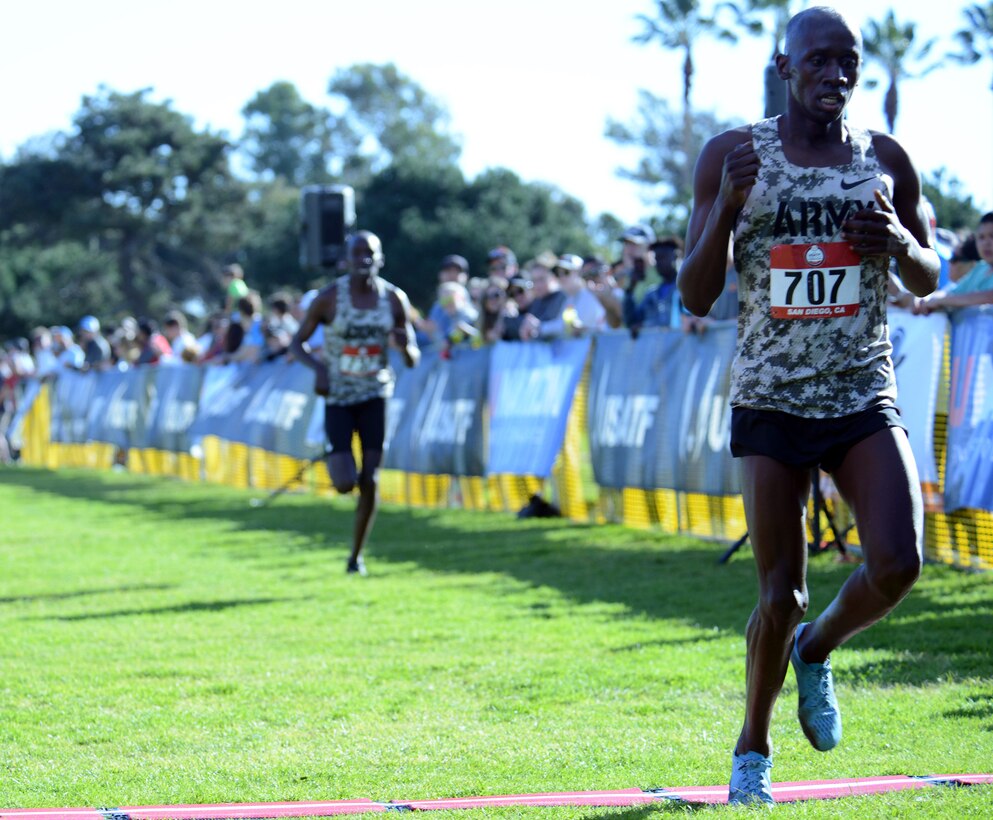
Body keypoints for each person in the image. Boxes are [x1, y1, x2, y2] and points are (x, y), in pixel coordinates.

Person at [677, 7, 939, 804]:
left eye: (847, 63)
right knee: (777, 590)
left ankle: (816, 650)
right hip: (770, 397)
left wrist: (896, 241)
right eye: (818, 61)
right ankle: (750, 751)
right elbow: (694, 293)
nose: (836, 76)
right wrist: (724, 210)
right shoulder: (732, 154)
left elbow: (930, 275)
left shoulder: (884, 158)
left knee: (897, 564)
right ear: (784, 67)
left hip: (861, 387)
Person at [290, 230, 420, 576]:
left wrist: (406, 346)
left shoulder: (394, 299)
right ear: (346, 260)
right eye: (356, 253)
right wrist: (318, 368)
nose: (363, 260)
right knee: (345, 482)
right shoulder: (329, 298)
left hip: (375, 393)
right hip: (339, 397)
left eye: (370, 254)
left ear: (380, 259)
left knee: (371, 478)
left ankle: (356, 556)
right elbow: (296, 343)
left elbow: (412, 358)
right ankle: (335, 456)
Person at [899, 212, 993, 314]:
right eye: (981, 237)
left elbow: (989, 297)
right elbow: (951, 293)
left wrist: (941, 301)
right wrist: (927, 299)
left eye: (992, 236)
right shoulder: (980, 269)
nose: (986, 243)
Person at [623, 236, 684, 333]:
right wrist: (631, 288)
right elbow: (631, 322)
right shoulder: (652, 293)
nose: (658, 263)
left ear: (676, 257)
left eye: (663, 257)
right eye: (657, 258)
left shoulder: (686, 290)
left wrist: (646, 325)